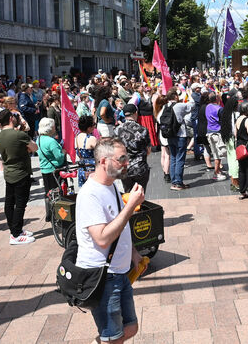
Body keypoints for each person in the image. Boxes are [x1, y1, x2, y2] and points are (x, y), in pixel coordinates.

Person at [75, 137, 144, 343]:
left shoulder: (112, 185)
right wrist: (131, 206)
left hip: (120, 272)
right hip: (103, 277)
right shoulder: (90, 194)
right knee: (113, 336)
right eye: (121, 159)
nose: (126, 163)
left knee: (129, 328)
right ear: (104, 161)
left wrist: (133, 253)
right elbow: (103, 238)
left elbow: (119, 227)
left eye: (126, 158)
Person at [0, 108, 38, 245]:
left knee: (10, 202)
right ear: (10, 119)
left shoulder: (1, 135)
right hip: (21, 172)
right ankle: (15, 234)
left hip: (9, 172)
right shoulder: (18, 135)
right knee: (20, 204)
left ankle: (15, 230)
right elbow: (34, 148)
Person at [115, 104, 151, 192]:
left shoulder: (117, 130)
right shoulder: (143, 130)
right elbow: (148, 150)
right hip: (140, 167)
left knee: (128, 195)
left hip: (124, 168)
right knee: (140, 196)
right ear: (135, 113)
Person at [37, 117, 66, 222]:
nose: (55, 128)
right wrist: (64, 152)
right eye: (53, 126)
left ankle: (50, 214)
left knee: (49, 194)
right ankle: (60, 216)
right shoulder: (51, 141)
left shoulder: (39, 139)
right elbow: (59, 157)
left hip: (45, 169)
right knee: (58, 194)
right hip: (54, 170)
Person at [165, 88, 193, 191]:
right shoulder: (179, 106)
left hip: (169, 135)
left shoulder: (165, 106)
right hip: (180, 135)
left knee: (173, 158)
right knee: (180, 159)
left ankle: (174, 181)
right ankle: (178, 183)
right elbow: (192, 105)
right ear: (176, 96)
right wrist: (189, 94)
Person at [204, 92, 228, 181]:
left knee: (215, 153)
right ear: (217, 99)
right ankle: (216, 172)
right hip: (217, 133)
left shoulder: (208, 106)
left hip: (209, 132)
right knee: (219, 154)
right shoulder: (219, 109)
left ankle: (217, 171)